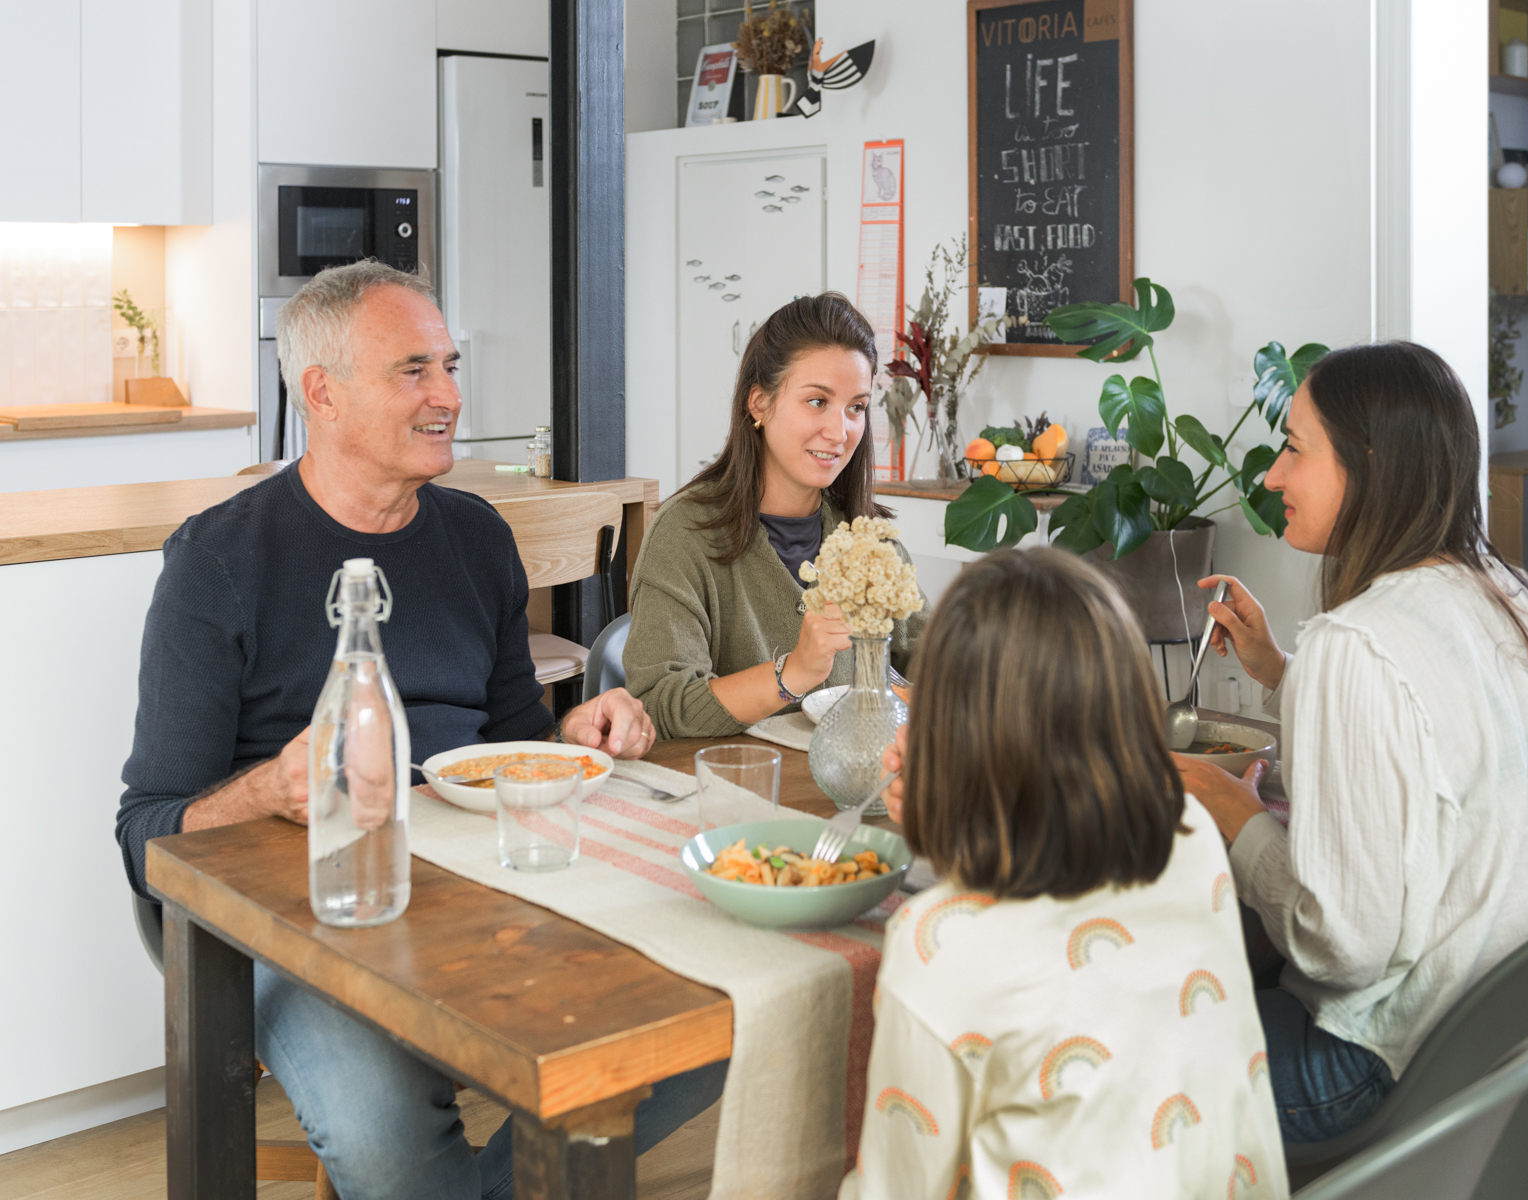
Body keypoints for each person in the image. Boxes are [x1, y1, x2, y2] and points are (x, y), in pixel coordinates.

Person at [115, 260, 724, 1200]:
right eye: (413, 370)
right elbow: (146, 830)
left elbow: (514, 736)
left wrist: (577, 735)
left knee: (718, 1004)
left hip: (467, 881)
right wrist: (270, 789)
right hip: (289, 911)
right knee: (389, 1139)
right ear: (323, 393)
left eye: (449, 365)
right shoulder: (218, 560)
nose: (449, 395)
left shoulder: (475, 537)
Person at [1179, 341, 1528, 1145]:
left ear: (1370, 467)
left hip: (1399, 1066)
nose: (1272, 477)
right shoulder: (1510, 595)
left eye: (1294, 449)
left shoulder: (1354, 644)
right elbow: (1428, 736)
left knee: (1117, 1046)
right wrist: (1281, 671)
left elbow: (1340, 949)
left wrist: (1231, 813)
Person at [841, 549, 1286, 1200]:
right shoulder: (1190, 834)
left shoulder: (937, 942)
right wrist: (952, 808)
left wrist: (946, 804)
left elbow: (898, 1187)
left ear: (946, 733)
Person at [623, 293, 928, 738]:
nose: (840, 432)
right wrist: (795, 671)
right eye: (817, 401)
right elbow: (660, 706)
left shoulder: (869, 542)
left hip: (853, 776)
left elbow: (931, 657)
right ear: (759, 404)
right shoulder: (684, 534)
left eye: (856, 407)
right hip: (731, 777)